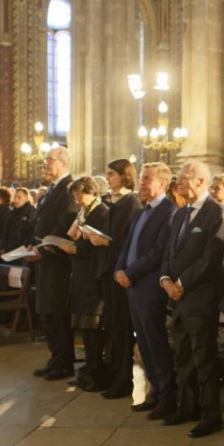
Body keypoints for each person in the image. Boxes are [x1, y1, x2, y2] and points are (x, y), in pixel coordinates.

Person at [161, 161, 224, 437]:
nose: (179, 183)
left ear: (201, 181)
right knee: (183, 356)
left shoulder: (217, 213)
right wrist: (165, 279)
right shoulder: (180, 213)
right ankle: (186, 407)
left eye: (184, 178)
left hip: (200, 298)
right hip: (177, 298)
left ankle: (210, 414)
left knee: (204, 358)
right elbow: (169, 251)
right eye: (178, 178)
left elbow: (211, 259)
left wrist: (181, 282)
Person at [115, 162, 179, 417]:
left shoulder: (169, 211)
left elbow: (158, 252)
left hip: (149, 287)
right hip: (133, 286)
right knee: (143, 343)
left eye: (146, 179)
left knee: (155, 343)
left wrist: (129, 273)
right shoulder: (141, 212)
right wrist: (119, 268)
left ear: (162, 183)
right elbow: (127, 244)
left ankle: (167, 398)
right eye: (141, 178)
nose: (141, 183)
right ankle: (154, 393)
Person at [99, 159, 143, 399]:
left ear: (124, 176)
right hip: (107, 270)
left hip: (121, 273)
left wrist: (106, 242)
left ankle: (124, 378)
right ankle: (113, 373)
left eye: (111, 174)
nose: (108, 178)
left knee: (121, 327)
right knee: (111, 326)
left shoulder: (131, 203)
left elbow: (128, 241)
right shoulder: (111, 201)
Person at [31, 147, 76, 380]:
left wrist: (44, 251)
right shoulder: (51, 189)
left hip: (58, 262)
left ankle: (64, 361)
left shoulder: (68, 189)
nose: (45, 164)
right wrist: (33, 245)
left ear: (63, 163)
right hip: (44, 259)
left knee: (57, 313)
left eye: (49, 160)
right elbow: (39, 222)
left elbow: (64, 223)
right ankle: (54, 357)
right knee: (47, 312)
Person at [64, 176, 113, 389]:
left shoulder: (101, 212)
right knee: (83, 325)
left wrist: (76, 249)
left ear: (92, 192)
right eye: (74, 195)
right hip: (80, 274)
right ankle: (88, 367)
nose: (77, 199)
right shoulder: (83, 213)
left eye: (79, 194)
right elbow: (75, 235)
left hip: (93, 275)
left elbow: (99, 244)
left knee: (93, 326)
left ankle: (97, 370)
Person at [0, 187, 36, 257]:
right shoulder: (12, 212)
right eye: (15, 197)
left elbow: (32, 232)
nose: (16, 200)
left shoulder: (31, 213)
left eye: (19, 197)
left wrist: (26, 247)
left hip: (22, 252)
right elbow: (5, 230)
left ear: (26, 198)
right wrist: (2, 246)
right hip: (8, 250)